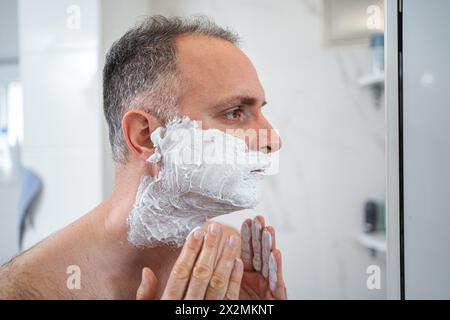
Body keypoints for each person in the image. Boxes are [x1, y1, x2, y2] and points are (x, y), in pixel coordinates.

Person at [0, 15, 286, 300]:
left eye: (260, 110)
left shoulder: (226, 257)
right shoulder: (25, 291)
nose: (273, 140)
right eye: (235, 112)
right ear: (146, 136)